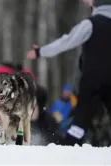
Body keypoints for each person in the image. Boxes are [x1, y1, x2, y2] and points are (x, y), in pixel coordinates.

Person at [27, 0, 111, 146]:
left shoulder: (91, 24)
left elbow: (66, 42)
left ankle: (69, 149)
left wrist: (41, 51)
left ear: (96, 6)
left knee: (80, 121)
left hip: (92, 81)